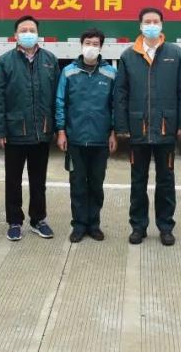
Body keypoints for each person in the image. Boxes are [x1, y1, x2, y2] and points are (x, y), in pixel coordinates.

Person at [113, 7, 181, 246]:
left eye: (155, 21)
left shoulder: (175, 53)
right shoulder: (128, 56)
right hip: (138, 129)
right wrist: (122, 126)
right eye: (147, 22)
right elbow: (121, 94)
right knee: (138, 181)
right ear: (140, 26)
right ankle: (138, 227)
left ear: (162, 24)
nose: (151, 25)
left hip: (166, 128)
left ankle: (165, 227)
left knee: (166, 181)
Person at [0, 15, 59, 241]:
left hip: (41, 132)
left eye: (32, 30)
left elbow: (57, 97)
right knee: (13, 180)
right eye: (23, 30)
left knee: (38, 181)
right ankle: (15, 222)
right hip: (15, 131)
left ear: (38, 33)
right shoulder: (5, 62)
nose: (28, 34)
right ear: (15, 35)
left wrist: (58, 128)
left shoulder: (49, 60)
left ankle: (38, 219)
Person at [56, 28, 118, 243]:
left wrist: (113, 133)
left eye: (95, 44)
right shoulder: (69, 72)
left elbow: (114, 106)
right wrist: (61, 131)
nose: (91, 47)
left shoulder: (110, 73)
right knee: (78, 185)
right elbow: (60, 102)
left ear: (101, 47)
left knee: (96, 184)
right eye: (88, 43)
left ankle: (94, 224)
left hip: (100, 140)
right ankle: (79, 225)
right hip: (75, 139)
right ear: (81, 45)